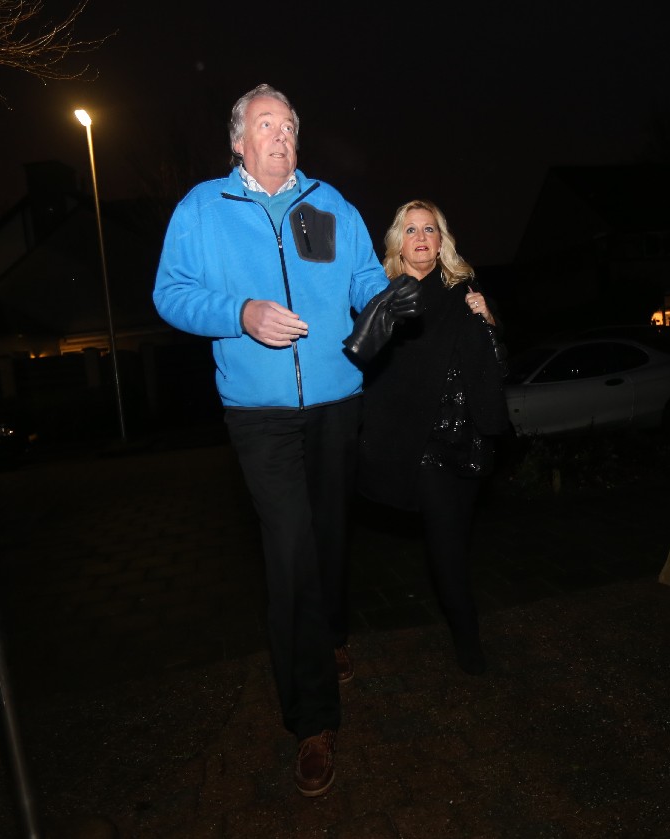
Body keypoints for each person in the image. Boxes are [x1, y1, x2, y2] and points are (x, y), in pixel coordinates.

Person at [153, 83, 405, 798]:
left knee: (328, 539)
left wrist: (393, 300)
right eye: (266, 124)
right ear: (238, 141)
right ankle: (313, 721)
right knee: (290, 551)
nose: (281, 135)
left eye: (289, 124)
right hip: (259, 414)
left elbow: (364, 278)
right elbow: (170, 294)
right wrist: (240, 312)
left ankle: (331, 632)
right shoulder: (202, 208)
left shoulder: (328, 204)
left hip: (336, 403)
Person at [357, 199, 512, 675]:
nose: (421, 237)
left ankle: (461, 623)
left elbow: (496, 364)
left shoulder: (465, 292)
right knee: (445, 544)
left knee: (457, 539)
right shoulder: (385, 297)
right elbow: (369, 366)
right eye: (411, 230)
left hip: (467, 436)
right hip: (420, 443)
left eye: (429, 229)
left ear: (441, 240)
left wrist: (489, 320)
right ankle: (469, 641)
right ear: (397, 243)